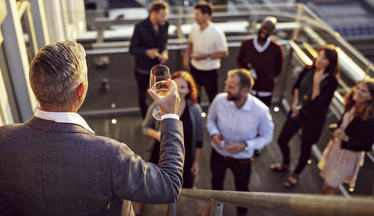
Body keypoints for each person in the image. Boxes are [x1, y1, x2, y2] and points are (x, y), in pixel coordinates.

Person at [0, 41, 184, 215]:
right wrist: (170, 115)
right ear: (81, 91)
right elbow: (169, 185)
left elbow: (2, 209)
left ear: (35, 86)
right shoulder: (110, 155)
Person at [202, 68, 274, 216]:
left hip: (243, 159)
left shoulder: (261, 110)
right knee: (216, 182)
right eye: (226, 85)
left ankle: (242, 212)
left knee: (241, 188)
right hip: (218, 153)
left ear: (245, 90)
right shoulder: (219, 100)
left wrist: (246, 145)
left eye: (231, 87)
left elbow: (267, 136)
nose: (225, 89)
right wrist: (214, 134)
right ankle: (214, 206)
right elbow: (211, 119)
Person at [270, 45, 339, 188]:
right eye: (319, 55)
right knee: (282, 139)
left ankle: (296, 174)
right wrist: (295, 104)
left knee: (305, 149)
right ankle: (286, 163)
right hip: (298, 112)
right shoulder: (309, 69)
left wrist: (316, 82)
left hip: (313, 119)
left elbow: (317, 103)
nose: (319, 60)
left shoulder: (332, 81)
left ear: (330, 63)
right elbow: (296, 87)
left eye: (324, 59)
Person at [135, 71, 203, 215]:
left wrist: (196, 162)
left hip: (184, 156)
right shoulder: (157, 104)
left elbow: (199, 140)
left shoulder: (195, 110)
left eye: (183, 87)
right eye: (175, 86)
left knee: (176, 185)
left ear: (190, 90)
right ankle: (139, 207)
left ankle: (169, 210)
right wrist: (159, 135)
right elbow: (145, 127)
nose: (178, 90)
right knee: (147, 181)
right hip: (157, 152)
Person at [319, 79, 374, 195]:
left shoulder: (370, 119)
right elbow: (344, 124)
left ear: (371, 97)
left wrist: (347, 139)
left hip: (347, 157)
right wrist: (337, 129)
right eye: (357, 88)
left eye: (363, 91)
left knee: (327, 187)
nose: (358, 92)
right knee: (333, 186)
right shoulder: (352, 104)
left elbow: (367, 145)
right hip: (336, 149)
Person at [182, 1, 228, 103]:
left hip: (210, 70)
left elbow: (224, 53)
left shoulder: (216, 32)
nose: (195, 17)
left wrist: (204, 56)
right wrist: (186, 58)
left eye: (197, 14)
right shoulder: (194, 27)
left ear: (206, 15)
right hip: (195, 68)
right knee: (194, 96)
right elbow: (190, 44)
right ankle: (197, 116)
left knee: (212, 96)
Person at [130, 0, 169, 118]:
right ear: (154, 13)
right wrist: (147, 52)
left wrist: (165, 53)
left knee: (161, 94)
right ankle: (146, 120)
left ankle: (159, 118)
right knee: (143, 96)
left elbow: (164, 43)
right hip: (142, 69)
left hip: (158, 69)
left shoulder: (165, 25)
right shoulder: (140, 26)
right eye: (162, 15)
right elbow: (132, 49)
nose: (164, 18)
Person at [237, 16, 284, 107]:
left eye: (269, 29)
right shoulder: (247, 44)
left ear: (273, 31)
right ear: (260, 27)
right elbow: (240, 61)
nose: (265, 31)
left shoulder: (276, 48)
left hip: (266, 89)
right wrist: (247, 72)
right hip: (249, 86)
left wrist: (268, 76)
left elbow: (278, 68)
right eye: (264, 27)